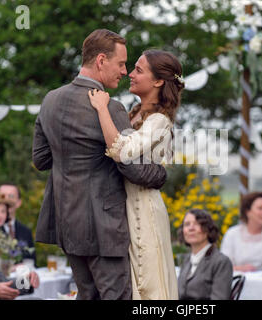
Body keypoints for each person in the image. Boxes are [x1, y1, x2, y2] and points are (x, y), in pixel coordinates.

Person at [32, 29, 167, 300]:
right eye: (120, 64)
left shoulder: (50, 101)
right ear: (101, 60)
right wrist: (161, 174)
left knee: (86, 296)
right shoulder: (111, 108)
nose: (124, 71)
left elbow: (41, 160)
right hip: (105, 229)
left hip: (66, 223)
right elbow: (133, 167)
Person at [88, 49, 182, 299]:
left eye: (138, 70)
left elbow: (124, 151)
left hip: (144, 211)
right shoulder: (134, 113)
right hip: (126, 208)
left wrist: (101, 109)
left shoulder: (160, 120)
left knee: (149, 286)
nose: (130, 73)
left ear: (158, 81)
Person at [220, 192, 262, 273]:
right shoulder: (232, 234)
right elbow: (223, 267)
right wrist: (240, 269)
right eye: (260, 208)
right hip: (239, 283)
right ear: (247, 212)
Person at [176, 209, 233, 300]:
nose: (191, 228)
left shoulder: (221, 262)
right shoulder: (186, 260)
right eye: (187, 224)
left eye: (197, 224)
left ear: (208, 229)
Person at [0, 183, 36, 265]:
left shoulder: (26, 231)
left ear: (19, 203)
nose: (7, 200)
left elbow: (32, 262)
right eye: (3, 196)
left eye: (11, 196)